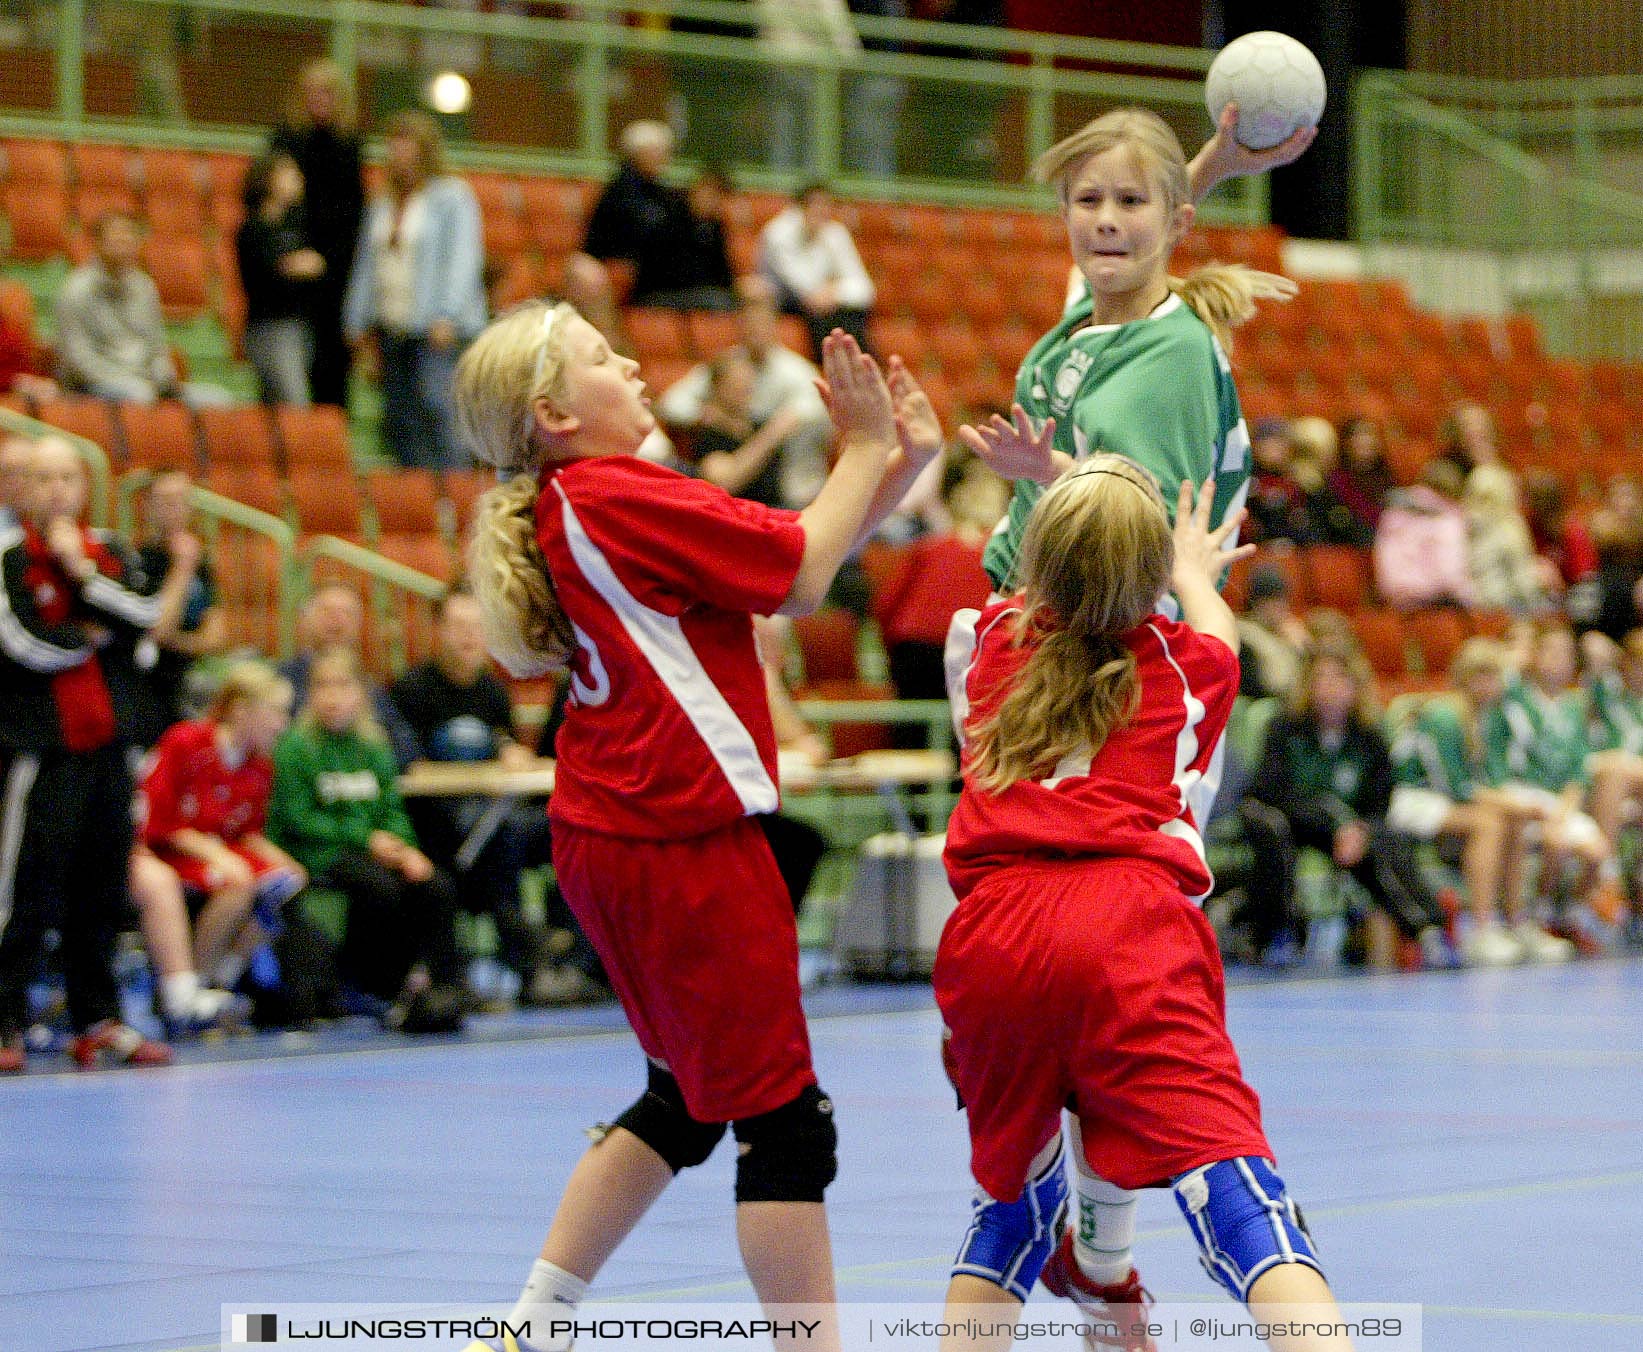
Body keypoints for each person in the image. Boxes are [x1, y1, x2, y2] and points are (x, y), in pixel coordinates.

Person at [452, 302, 940, 1352]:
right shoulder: (618, 492)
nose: (627, 363)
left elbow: (790, 571)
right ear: (552, 413)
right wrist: (862, 445)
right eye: (597, 356)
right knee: (784, 1125)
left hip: (615, 833)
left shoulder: (577, 503)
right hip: (678, 841)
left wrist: (893, 465)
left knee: (681, 1100)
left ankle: (531, 1327)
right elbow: (806, 573)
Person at [944, 102, 1313, 1332]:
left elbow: (1125, 522)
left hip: (1106, 661)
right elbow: (1122, 240)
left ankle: (1090, 1254)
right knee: (1104, 1005)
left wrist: (1039, 480)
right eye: (1086, 200)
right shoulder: (1099, 317)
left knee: (1103, 990)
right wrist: (1205, 159)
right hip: (1064, 642)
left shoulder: (1156, 361)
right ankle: (1102, 1269)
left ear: (1174, 226)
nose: (1102, 221)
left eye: (1128, 204)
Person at [935, 462, 1353, 1352]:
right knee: (1236, 1190)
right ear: (1151, 576)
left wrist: (1043, 481)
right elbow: (1216, 623)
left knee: (1008, 1209)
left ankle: (1079, 1273)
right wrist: (1195, 567)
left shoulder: (986, 647)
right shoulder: (1189, 667)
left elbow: (1051, 578)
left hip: (992, 932)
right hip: (1127, 925)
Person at [0, 438, 196, 1072]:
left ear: (84, 488)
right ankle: (5, 1022)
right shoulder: (5, 558)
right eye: (42, 479)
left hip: (111, 750)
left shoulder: (107, 551)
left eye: (68, 478)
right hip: (40, 750)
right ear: (19, 491)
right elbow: (21, 642)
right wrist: (93, 638)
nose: (57, 490)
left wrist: (81, 574)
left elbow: (145, 617)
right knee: (24, 892)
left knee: (103, 889)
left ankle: (98, 1021)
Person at [390, 585, 581, 1006]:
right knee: (495, 848)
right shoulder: (413, 690)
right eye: (458, 626)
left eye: (477, 627)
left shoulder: (492, 692)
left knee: (555, 834)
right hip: (433, 821)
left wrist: (508, 752)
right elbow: (409, 767)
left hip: (488, 818)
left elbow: (501, 743)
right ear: (438, 630)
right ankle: (528, 959)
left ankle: (567, 956)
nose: (468, 637)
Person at [268, 646, 468, 1030]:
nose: (332, 696)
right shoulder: (295, 748)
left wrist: (405, 850)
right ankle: (382, 987)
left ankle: (446, 988)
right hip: (318, 853)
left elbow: (392, 809)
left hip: (372, 850)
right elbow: (298, 819)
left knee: (433, 884)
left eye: (342, 686)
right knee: (378, 887)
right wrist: (366, 839)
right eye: (322, 686)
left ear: (360, 693)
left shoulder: (373, 747)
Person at [1240, 639, 1455, 970]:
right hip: (1297, 822)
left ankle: (1428, 929)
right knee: (1271, 828)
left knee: (1386, 838)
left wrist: (1361, 829)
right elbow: (1272, 791)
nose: (1329, 688)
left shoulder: (1369, 737)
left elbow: (1380, 800)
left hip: (1348, 833)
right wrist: (1335, 823)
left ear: (1355, 686)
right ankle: (1275, 934)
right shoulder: (1285, 728)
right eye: (1321, 678)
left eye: (1339, 678)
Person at [138, 661, 306, 1032]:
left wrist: (285, 863)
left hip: (219, 853)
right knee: (238, 883)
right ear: (240, 709)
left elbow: (247, 831)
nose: (281, 723)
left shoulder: (260, 765)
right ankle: (190, 990)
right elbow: (161, 824)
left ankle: (222, 978)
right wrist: (219, 855)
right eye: (274, 712)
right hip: (172, 851)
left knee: (283, 883)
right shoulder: (187, 741)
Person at [1390, 638, 1571, 966]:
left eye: (1493, 677)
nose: (1488, 685)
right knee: (1488, 822)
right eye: (1479, 676)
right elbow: (1454, 787)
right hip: (1411, 797)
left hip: (1453, 801)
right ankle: (1481, 928)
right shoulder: (1443, 716)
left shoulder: (1492, 718)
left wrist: (1518, 805)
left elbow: (1496, 781)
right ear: (1462, 677)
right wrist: (1509, 803)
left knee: (1514, 817)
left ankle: (1518, 923)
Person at [343, 110, 486, 469]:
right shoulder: (383, 200)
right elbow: (367, 261)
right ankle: (418, 499)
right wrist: (356, 320)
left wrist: (446, 314)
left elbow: (463, 259)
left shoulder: (452, 196)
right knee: (400, 420)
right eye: (394, 144)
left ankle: (456, 495)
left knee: (440, 413)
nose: (399, 153)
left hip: (435, 329)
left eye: (407, 145)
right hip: (393, 326)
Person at [1485, 620, 1624, 949]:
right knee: (1555, 840)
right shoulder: (1515, 697)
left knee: (1598, 850)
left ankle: (1571, 912)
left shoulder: (1576, 707)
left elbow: (1579, 768)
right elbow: (1497, 676)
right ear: (1534, 655)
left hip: (1559, 800)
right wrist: (1515, 657)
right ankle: (1537, 918)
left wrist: (1566, 807)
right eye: (1549, 650)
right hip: (1520, 792)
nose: (1558, 659)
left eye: (1565, 652)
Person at [657, 276, 833, 509]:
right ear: (738, 322)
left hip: (792, 482)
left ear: (775, 322)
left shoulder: (798, 372)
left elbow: (816, 418)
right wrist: (712, 416)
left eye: (761, 316)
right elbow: (672, 404)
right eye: (748, 317)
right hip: (738, 478)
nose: (755, 325)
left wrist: (772, 428)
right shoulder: (727, 364)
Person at [55, 212, 232, 407]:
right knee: (140, 395)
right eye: (116, 238)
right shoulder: (75, 290)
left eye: (129, 238)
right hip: (96, 385)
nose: (123, 244)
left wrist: (164, 380)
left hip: (148, 382)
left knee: (219, 400)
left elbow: (157, 346)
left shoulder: (144, 286)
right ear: (97, 244)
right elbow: (78, 361)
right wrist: (130, 378)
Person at [270, 57, 366, 409]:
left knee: (330, 370)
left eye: (327, 94)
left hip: (335, 277)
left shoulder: (349, 146)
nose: (319, 100)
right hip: (292, 275)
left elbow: (353, 218)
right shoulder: (285, 140)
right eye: (312, 93)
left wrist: (328, 262)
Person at [579, 122, 731, 311]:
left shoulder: (662, 194)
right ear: (638, 153)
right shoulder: (620, 194)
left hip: (682, 284)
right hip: (651, 284)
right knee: (716, 303)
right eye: (658, 151)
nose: (664, 158)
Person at [277, 583, 418, 768]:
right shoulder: (281, 680)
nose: (337, 620)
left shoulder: (368, 685)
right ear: (305, 619)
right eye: (327, 611)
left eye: (347, 613)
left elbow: (405, 745)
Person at [134, 470, 226, 740]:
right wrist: (181, 569)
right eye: (166, 501)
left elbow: (216, 638)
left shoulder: (202, 564)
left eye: (181, 501)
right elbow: (158, 629)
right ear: (149, 507)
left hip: (192, 680)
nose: (175, 510)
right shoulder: (139, 561)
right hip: (152, 685)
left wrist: (176, 640)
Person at [236, 150, 325, 406]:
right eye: (289, 173)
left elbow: (312, 264)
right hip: (269, 328)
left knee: (278, 404)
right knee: (294, 404)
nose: (298, 179)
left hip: (297, 326)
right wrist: (294, 265)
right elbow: (272, 271)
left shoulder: (294, 228)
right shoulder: (253, 229)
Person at [758, 182, 876, 358]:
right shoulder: (778, 233)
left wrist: (835, 291)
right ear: (799, 207)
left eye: (826, 206)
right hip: (785, 303)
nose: (821, 211)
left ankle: (860, 368)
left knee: (852, 315)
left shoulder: (835, 232)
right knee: (825, 319)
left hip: (826, 305)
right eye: (815, 205)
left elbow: (865, 291)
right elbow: (805, 290)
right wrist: (833, 289)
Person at [1463, 464, 1553, 616]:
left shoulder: (1462, 525)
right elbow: (1523, 581)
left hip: (1477, 607)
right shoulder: (1509, 526)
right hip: (1508, 607)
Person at [1329, 415, 1395, 538]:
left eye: (1369, 434)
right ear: (1346, 442)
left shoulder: (1385, 475)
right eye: (1359, 435)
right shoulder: (1338, 479)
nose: (1366, 440)